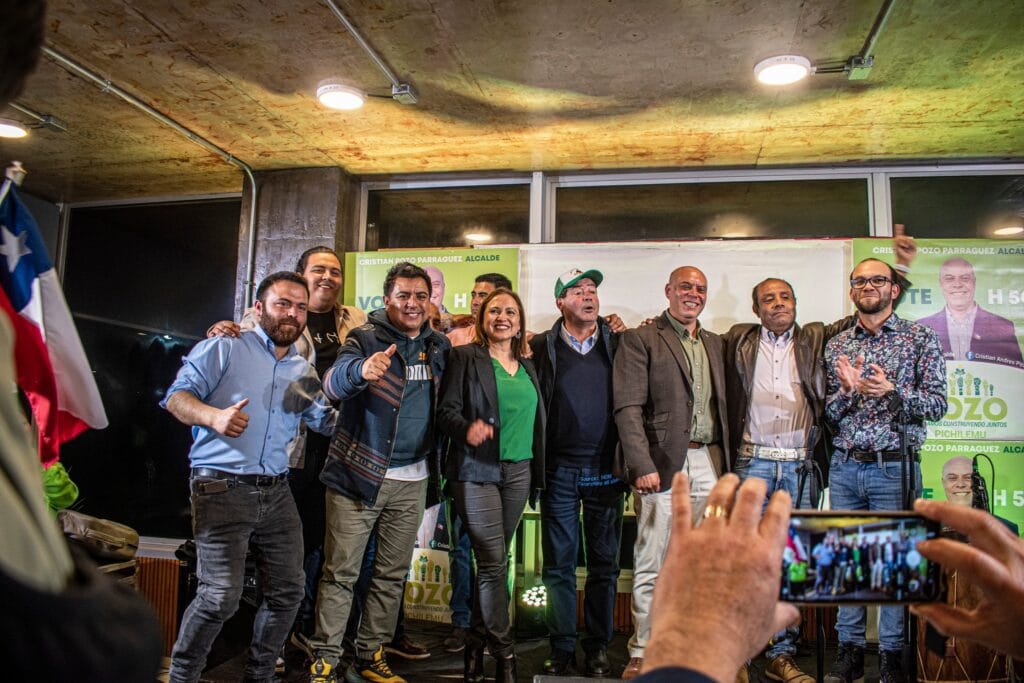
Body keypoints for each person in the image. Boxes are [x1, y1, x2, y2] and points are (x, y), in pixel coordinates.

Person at [161, 271, 338, 683]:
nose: (292, 314)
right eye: (282, 304)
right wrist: (214, 417)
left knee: (289, 592)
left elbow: (325, 421)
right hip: (220, 486)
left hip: (276, 491)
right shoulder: (224, 347)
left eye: (300, 307)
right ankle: (182, 677)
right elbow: (176, 398)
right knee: (220, 596)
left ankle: (260, 676)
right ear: (259, 308)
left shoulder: (301, 369)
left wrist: (373, 393)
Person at [206, 246, 367, 645]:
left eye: (335, 271)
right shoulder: (275, 317)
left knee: (320, 542)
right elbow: (243, 337)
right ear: (301, 275)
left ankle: (305, 627)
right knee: (283, 549)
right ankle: (277, 635)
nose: (327, 277)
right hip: (292, 448)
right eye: (318, 270)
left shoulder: (354, 318)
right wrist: (222, 330)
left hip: (336, 444)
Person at [306, 262, 449, 683]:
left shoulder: (438, 346)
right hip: (358, 475)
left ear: (430, 301)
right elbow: (332, 383)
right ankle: (326, 657)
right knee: (340, 573)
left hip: (414, 480)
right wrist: (360, 371)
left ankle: (370, 654)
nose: (412, 303)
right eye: (403, 295)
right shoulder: (363, 337)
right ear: (387, 300)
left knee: (390, 575)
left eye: (420, 296)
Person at [823, 257, 947, 683]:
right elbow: (830, 414)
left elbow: (938, 405)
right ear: (852, 291)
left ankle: (893, 654)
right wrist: (845, 391)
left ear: (894, 289)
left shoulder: (920, 338)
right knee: (848, 563)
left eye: (878, 279)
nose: (868, 286)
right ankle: (850, 652)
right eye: (860, 281)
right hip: (845, 467)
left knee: (893, 564)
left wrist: (893, 392)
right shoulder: (837, 344)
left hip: (895, 468)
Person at [612, 265, 729, 680]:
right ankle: (642, 650)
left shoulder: (716, 343)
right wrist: (641, 464)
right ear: (668, 291)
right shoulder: (641, 338)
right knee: (651, 561)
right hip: (660, 464)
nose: (693, 293)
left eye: (700, 288)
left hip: (709, 462)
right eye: (685, 286)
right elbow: (627, 408)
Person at [437, 287, 545, 683]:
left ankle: (474, 648)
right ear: (482, 319)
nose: (503, 317)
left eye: (510, 312)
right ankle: (504, 653)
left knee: (494, 565)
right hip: (477, 471)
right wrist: (466, 429)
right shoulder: (465, 357)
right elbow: (445, 411)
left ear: (520, 322)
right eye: (494, 311)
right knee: (493, 562)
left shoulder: (529, 364)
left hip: (519, 472)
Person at [528, 267, 625, 677]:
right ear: (560, 303)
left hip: (606, 471)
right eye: (577, 291)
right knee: (558, 567)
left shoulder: (619, 342)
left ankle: (598, 646)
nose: (588, 296)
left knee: (604, 566)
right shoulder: (539, 346)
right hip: (559, 472)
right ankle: (563, 646)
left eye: (592, 290)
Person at [442, 271, 513, 653]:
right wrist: (466, 430)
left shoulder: (521, 350)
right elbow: (446, 408)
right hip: (466, 466)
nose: (476, 301)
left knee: (496, 555)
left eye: (485, 295)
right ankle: (461, 623)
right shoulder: (455, 343)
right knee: (461, 549)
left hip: (507, 469)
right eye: (474, 294)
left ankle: (491, 628)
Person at [917, 257, 1023, 368]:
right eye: (949, 279)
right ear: (941, 283)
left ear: (974, 282)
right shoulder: (922, 328)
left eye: (965, 278)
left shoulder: (1002, 326)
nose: (957, 284)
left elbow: (1016, 372)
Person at [446, 273, 514, 347]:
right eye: (473, 295)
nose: (474, 302)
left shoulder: (518, 341)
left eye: (483, 296)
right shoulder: (454, 338)